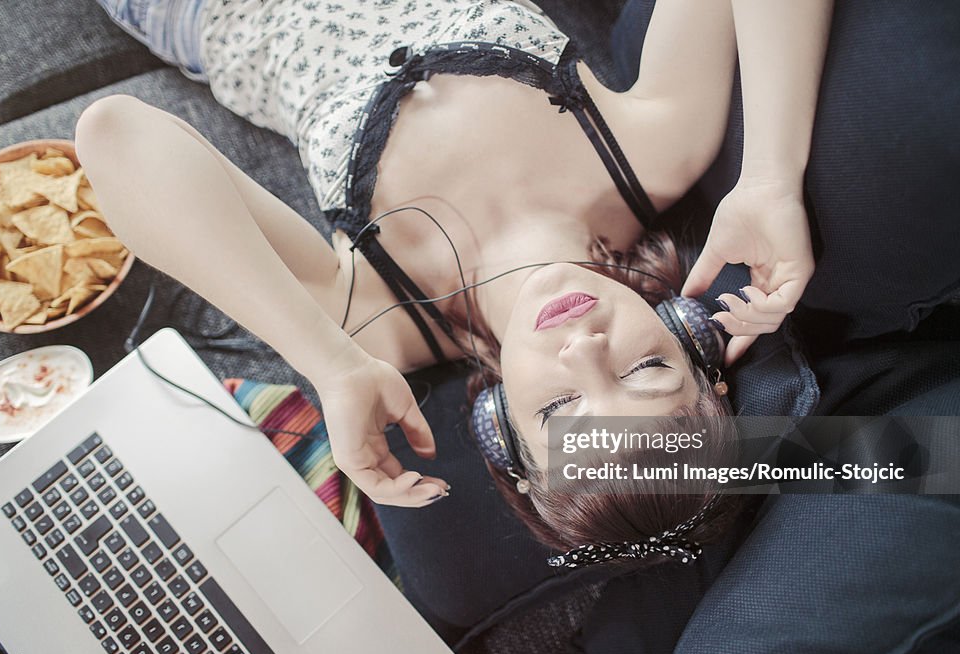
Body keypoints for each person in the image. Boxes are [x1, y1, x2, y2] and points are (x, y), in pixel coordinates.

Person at [76, 0, 834, 568]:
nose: (583, 348)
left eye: (562, 406)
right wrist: (772, 175)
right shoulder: (657, 152)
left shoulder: (382, 321)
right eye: (645, 368)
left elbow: (115, 135)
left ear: (501, 430)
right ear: (696, 342)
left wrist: (328, 363)